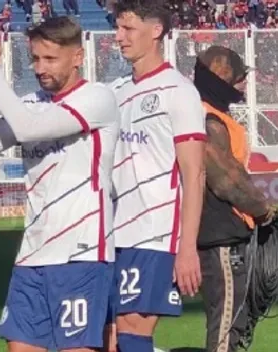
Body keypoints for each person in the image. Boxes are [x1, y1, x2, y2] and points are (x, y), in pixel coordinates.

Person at [0, 16, 120, 352]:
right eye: (35, 58)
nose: (39, 68)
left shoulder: (97, 98)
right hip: (32, 254)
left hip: (82, 254)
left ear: (77, 57)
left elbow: (29, 129)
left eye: (50, 58)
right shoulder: (31, 105)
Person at [106, 1, 207, 351]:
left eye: (128, 29)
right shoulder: (116, 93)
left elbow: (194, 173)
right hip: (114, 234)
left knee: (133, 328)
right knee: (111, 333)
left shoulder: (178, 91)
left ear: (156, 30)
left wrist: (187, 248)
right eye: (117, 28)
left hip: (156, 234)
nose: (118, 37)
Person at [193, 45, 278, 352]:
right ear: (220, 79)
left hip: (216, 230)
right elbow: (227, 179)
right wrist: (263, 211)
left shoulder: (210, 115)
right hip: (219, 234)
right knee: (228, 320)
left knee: (230, 317)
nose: (242, 85)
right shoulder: (207, 120)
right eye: (238, 78)